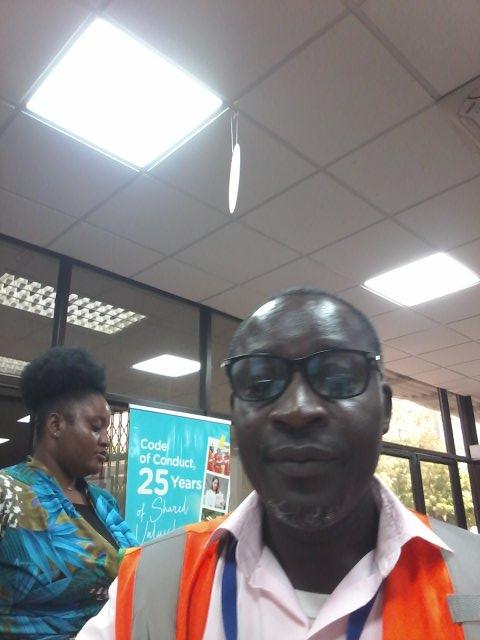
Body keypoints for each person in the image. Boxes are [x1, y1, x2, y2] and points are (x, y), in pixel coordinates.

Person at [77, 287, 480, 640]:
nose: (297, 410)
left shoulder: (472, 576)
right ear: (235, 417)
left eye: (338, 379)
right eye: (261, 383)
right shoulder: (153, 584)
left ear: (386, 410)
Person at [0, 346, 137, 640]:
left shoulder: (104, 503)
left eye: (107, 430)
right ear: (56, 425)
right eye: (96, 427)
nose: (106, 440)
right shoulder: (7, 493)